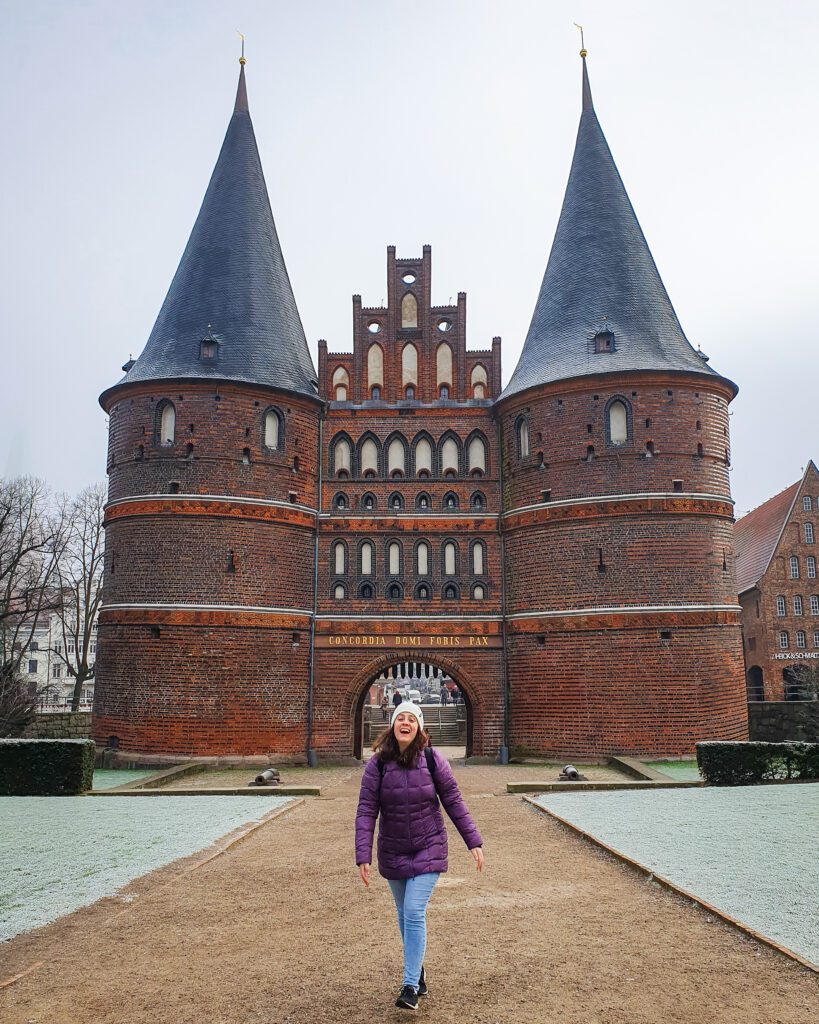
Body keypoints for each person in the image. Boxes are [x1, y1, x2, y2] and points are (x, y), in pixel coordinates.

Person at [355, 701, 484, 1011]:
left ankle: (410, 986)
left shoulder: (432, 759)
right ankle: (419, 968)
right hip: (393, 849)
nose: (406, 722)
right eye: (401, 717)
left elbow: (453, 800)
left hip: (429, 846)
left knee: (413, 911)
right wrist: (363, 854)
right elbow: (366, 810)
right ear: (393, 724)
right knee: (403, 915)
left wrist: (473, 840)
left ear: (420, 727)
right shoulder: (378, 764)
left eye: (412, 719)